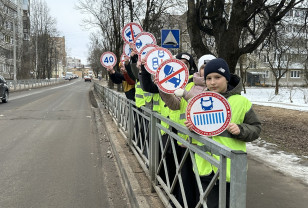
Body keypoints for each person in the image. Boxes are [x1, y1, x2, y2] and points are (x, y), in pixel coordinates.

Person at [185, 58, 262, 208]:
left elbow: (256, 128)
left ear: (226, 78)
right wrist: (192, 128)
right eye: (208, 78)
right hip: (205, 167)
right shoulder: (198, 101)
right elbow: (197, 134)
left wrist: (241, 130)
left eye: (217, 77)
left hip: (231, 169)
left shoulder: (241, 102)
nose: (212, 82)